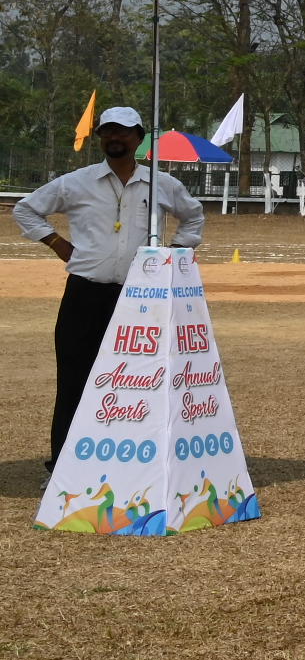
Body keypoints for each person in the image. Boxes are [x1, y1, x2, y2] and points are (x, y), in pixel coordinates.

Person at [16, 107, 204, 464]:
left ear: (139, 138)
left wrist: (175, 251)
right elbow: (26, 209)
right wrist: (57, 243)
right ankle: (63, 465)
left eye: (123, 132)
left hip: (139, 298)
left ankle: (129, 464)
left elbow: (193, 216)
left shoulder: (160, 183)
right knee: (74, 380)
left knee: (135, 380)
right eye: (107, 132)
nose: (115, 138)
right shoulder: (77, 181)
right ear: (100, 137)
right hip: (84, 294)